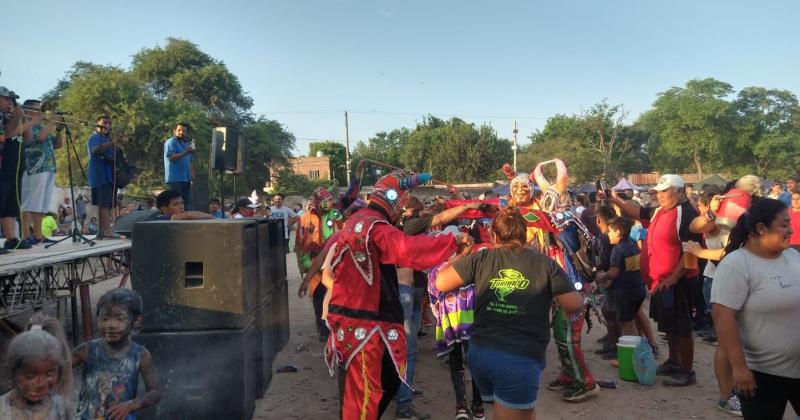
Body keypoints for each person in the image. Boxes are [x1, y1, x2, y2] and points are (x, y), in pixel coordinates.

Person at [324, 171, 460, 419]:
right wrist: (453, 242)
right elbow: (407, 249)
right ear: (395, 201)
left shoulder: (359, 220)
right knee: (364, 396)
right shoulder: (374, 225)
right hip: (365, 322)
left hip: (358, 317)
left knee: (377, 385)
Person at [435, 207, 584, 420]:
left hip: (481, 354)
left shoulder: (481, 258)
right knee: (514, 410)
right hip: (518, 359)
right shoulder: (544, 264)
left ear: (493, 235)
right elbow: (574, 304)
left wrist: (463, 254)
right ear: (524, 234)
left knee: (520, 411)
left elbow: (441, 282)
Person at [394, 196, 483, 420]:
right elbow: (441, 218)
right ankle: (404, 403)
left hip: (413, 290)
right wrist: (467, 206)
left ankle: (405, 396)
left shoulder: (396, 227)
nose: (419, 215)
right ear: (406, 211)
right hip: (407, 291)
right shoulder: (409, 225)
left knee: (407, 348)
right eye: (416, 211)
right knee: (408, 349)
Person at [712, 199, 800, 419]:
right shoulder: (737, 265)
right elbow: (723, 317)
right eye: (784, 225)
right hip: (762, 375)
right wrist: (739, 368)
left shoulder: (793, 257)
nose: (791, 230)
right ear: (761, 229)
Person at [612, 174, 701, 387]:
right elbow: (638, 211)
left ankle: (687, 371)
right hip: (659, 281)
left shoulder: (686, 213)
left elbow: (690, 250)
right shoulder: (661, 210)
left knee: (682, 326)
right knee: (668, 325)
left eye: (665, 191)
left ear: (680, 191)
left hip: (678, 281)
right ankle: (673, 360)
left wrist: (673, 277)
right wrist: (616, 200)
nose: (660, 195)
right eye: (658, 191)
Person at [73, 288, 161, 419]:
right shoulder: (87, 350)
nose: (111, 325)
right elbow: (55, 368)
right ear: (97, 319)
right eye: (105, 319)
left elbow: (155, 393)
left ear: (136, 320)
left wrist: (130, 405)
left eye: (120, 319)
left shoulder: (140, 355)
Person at [0, 327, 71, 419]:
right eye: (30, 376)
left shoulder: (61, 407)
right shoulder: (3, 410)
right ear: (13, 373)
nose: (41, 383)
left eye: (50, 375)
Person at [19, 99, 62, 246]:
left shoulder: (43, 125)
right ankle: (25, 236)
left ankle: (38, 236)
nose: (41, 112)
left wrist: (59, 129)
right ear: (28, 111)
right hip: (34, 168)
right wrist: (52, 122)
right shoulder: (26, 125)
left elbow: (57, 145)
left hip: (48, 167)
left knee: (42, 205)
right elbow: (39, 138)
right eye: (38, 109)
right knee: (30, 203)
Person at [596, 217, 647, 337]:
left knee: (626, 325)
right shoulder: (633, 244)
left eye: (610, 232)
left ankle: (629, 353)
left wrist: (602, 276)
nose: (608, 235)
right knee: (631, 321)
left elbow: (614, 272)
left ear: (618, 232)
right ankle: (638, 348)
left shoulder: (618, 249)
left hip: (626, 291)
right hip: (638, 288)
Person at [0, 87, 35, 251]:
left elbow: (28, 139)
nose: (10, 103)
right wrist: (18, 117)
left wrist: (27, 121)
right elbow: (7, 134)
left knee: (11, 203)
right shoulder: (4, 117)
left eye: (11, 100)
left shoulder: (10, 115)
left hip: (16, 165)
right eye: (7, 99)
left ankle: (11, 238)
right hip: (4, 163)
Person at [87, 116, 121, 238]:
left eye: (109, 123)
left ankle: (103, 231)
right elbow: (95, 150)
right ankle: (106, 232)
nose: (107, 125)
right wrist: (112, 142)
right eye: (104, 123)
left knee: (108, 204)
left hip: (109, 176)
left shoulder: (106, 138)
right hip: (100, 175)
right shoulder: (95, 137)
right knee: (104, 204)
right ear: (98, 124)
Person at [163, 122, 195, 210]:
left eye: (184, 131)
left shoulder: (186, 144)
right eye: (179, 130)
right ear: (174, 131)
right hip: (174, 179)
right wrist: (186, 152)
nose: (181, 132)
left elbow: (190, 161)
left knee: (185, 204)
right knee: (175, 204)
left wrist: (192, 175)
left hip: (186, 179)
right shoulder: (170, 142)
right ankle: (175, 223)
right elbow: (171, 158)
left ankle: (185, 223)